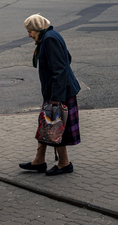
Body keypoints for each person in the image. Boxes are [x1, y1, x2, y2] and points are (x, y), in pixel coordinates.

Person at [20, 14, 81, 176]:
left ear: (38, 29)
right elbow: (68, 58)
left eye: (30, 31)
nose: (29, 35)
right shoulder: (51, 35)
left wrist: (56, 98)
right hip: (56, 90)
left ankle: (64, 163)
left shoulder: (49, 40)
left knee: (55, 127)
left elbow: (59, 70)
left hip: (60, 92)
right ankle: (39, 160)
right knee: (45, 125)